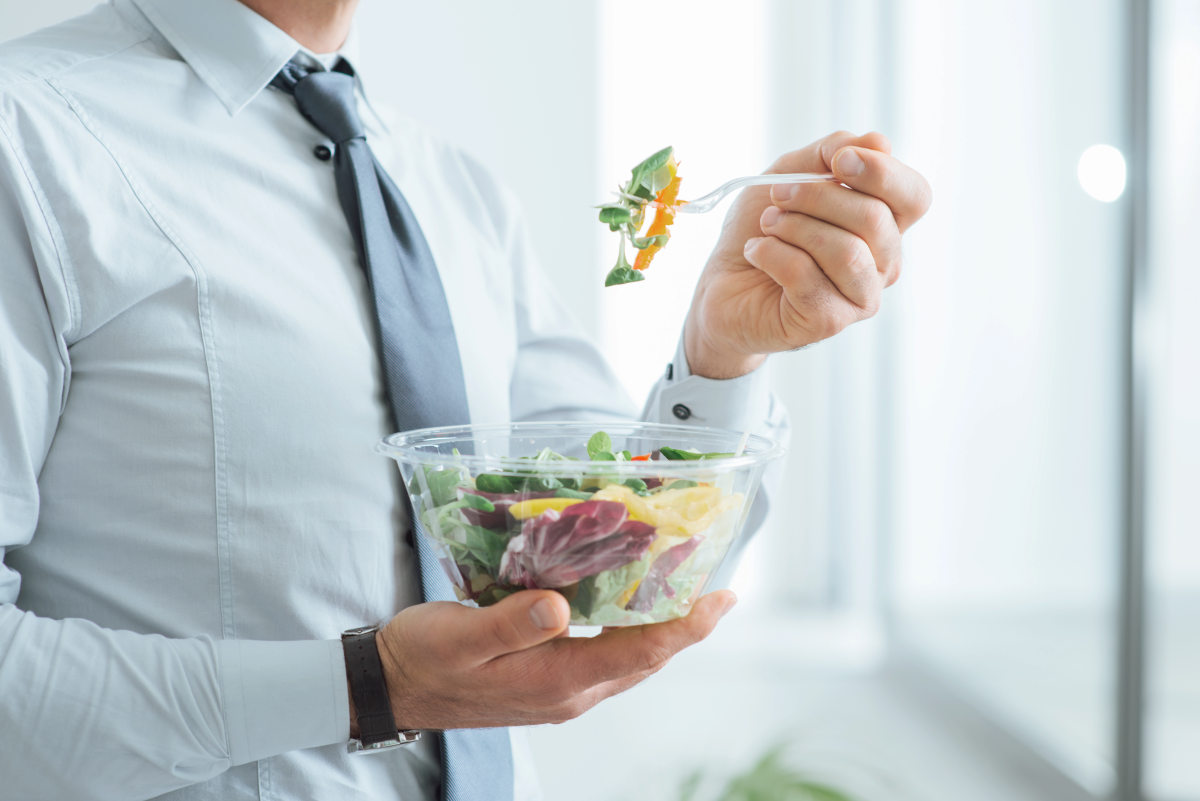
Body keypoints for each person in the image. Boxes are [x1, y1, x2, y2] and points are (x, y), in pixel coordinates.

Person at [0, 0, 931, 799]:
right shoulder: (25, 135)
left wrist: (721, 354)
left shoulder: (453, 187)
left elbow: (612, 556)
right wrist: (372, 688)